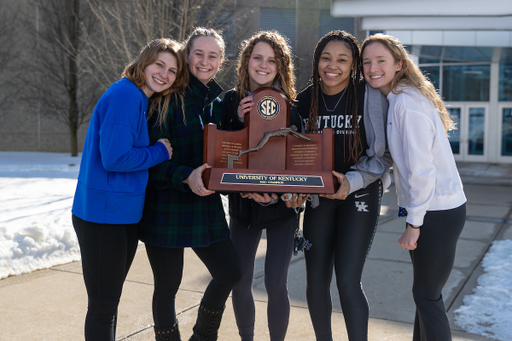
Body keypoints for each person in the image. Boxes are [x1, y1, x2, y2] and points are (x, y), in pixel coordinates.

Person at [71, 38, 186, 341]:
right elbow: (114, 157)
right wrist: (160, 151)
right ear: (144, 61)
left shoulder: (138, 97)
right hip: (102, 216)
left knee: (108, 303)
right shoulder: (125, 95)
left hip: (120, 215)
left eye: (172, 70)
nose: (164, 74)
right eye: (159, 64)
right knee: (102, 305)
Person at [286, 30, 392, 341]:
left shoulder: (369, 96)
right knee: (316, 280)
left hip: (360, 193)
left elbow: (384, 157)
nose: (333, 65)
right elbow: (293, 157)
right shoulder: (304, 101)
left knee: (347, 280)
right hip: (321, 199)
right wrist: (294, 190)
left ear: (353, 65)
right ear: (317, 61)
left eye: (342, 59)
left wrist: (353, 181)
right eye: (326, 58)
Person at [361, 33, 467, 341]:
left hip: (436, 213)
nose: (372, 68)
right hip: (439, 210)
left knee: (428, 296)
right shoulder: (401, 98)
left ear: (399, 64)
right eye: (367, 62)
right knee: (425, 294)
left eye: (381, 60)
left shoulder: (405, 104)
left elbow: (422, 171)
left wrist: (414, 224)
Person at [139, 27, 241, 341]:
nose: (205, 61)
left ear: (221, 61)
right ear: (187, 55)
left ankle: (203, 337)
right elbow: (152, 163)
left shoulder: (218, 103)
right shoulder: (166, 97)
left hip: (204, 207)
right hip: (165, 206)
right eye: (198, 53)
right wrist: (186, 174)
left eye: (213, 55)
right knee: (167, 286)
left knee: (230, 273)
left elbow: (225, 158)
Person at [223, 31, 299, 341]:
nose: (263, 65)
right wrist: (237, 122)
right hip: (243, 208)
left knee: (275, 282)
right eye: (258, 57)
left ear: (280, 66)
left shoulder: (291, 105)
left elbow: (300, 159)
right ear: (246, 61)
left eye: (271, 59)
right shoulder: (230, 101)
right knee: (239, 280)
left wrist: (277, 194)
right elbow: (220, 157)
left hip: (281, 209)